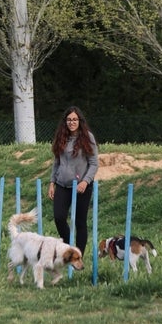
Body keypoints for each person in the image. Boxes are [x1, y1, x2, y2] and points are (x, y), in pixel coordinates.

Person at [48, 106, 98, 256]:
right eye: (69, 120)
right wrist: (52, 182)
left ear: (79, 121)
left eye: (75, 119)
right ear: (65, 122)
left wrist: (85, 181)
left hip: (82, 186)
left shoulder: (87, 137)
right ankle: (69, 249)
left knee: (80, 222)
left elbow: (94, 163)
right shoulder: (61, 138)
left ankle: (79, 255)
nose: (72, 122)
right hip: (62, 185)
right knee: (59, 217)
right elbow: (57, 162)